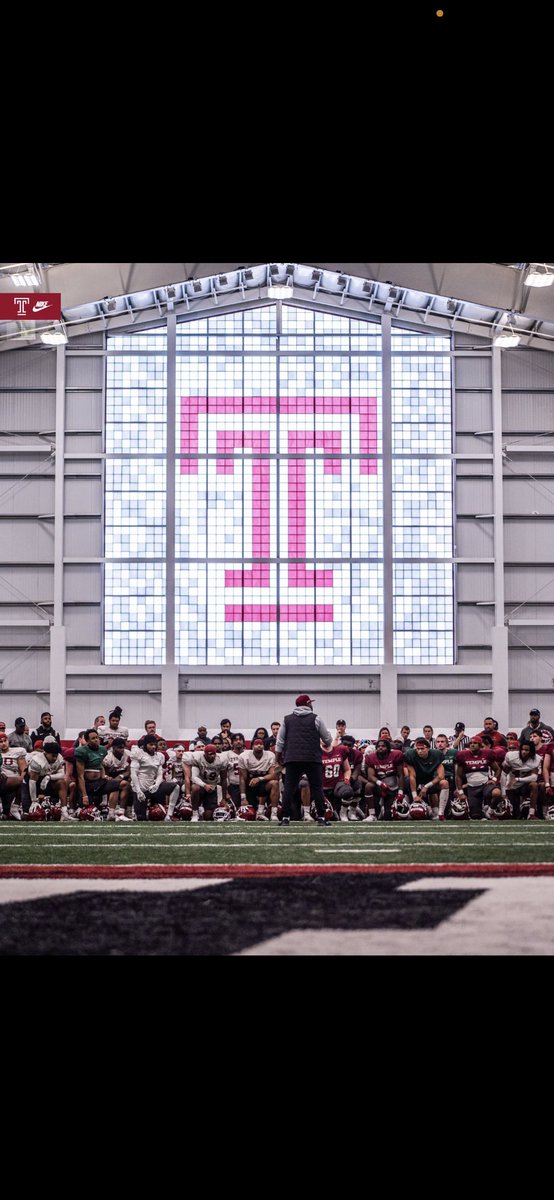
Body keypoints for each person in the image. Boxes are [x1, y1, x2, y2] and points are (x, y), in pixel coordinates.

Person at [274, 694, 333, 826]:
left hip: (292, 758)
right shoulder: (316, 718)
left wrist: (277, 760)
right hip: (312, 758)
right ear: (308, 704)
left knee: (289, 788)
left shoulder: (286, 719)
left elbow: (280, 742)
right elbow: (327, 740)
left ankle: (285, 818)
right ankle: (321, 818)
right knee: (317, 787)